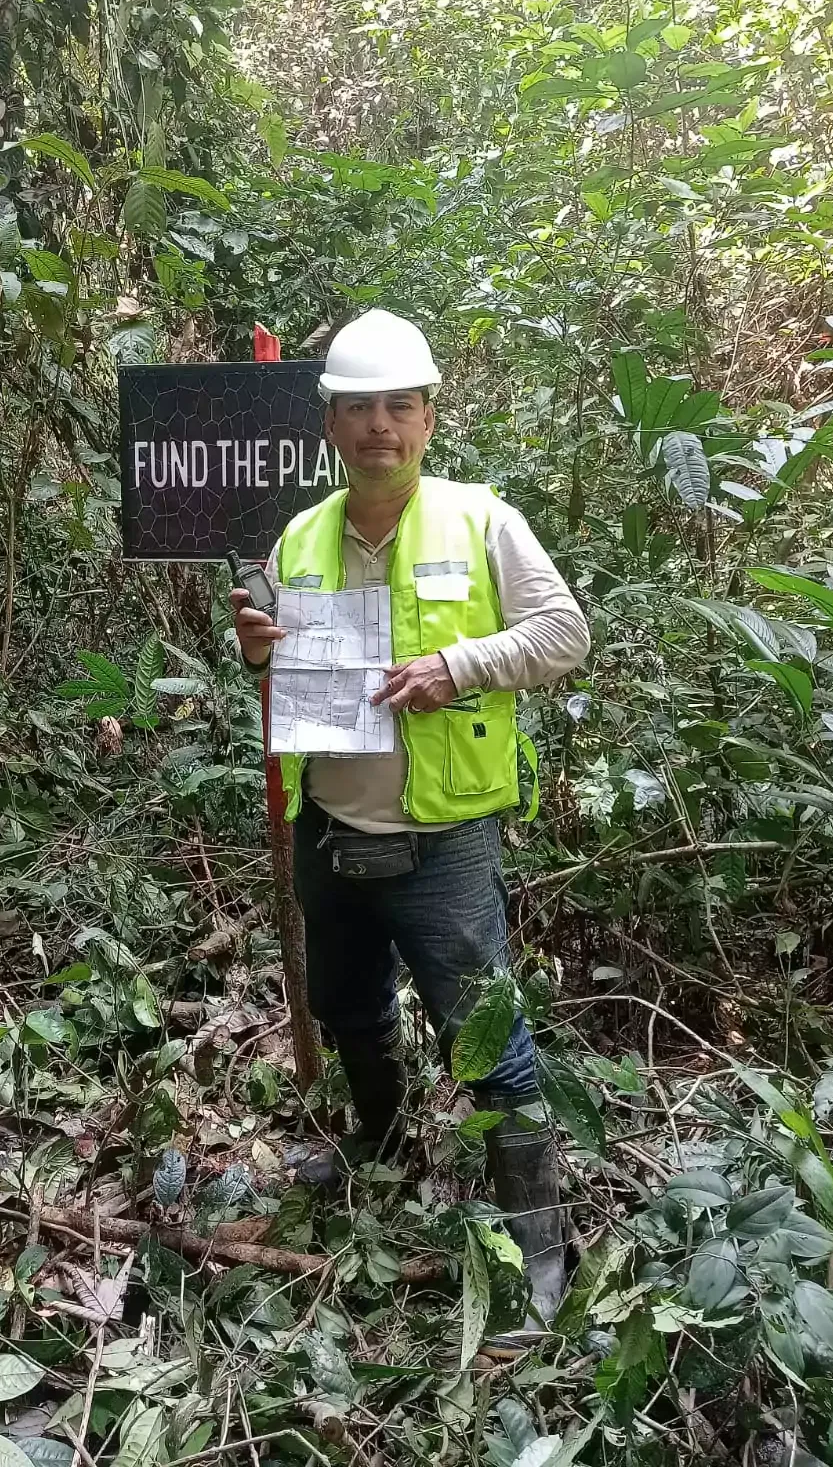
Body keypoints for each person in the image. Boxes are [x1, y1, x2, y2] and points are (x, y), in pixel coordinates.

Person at [231, 308, 590, 1321]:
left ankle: (539, 1247)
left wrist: (456, 664)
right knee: (346, 1005)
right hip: (330, 824)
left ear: (429, 417)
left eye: (399, 405)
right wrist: (256, 645)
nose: (378, 425)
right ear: (331, 424)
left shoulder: (480, 519)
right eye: (358, 408)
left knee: (488, 1041)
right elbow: (276, 660)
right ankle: (380, 1149)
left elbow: (564, 630)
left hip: (441, 838)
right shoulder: (300, 534)